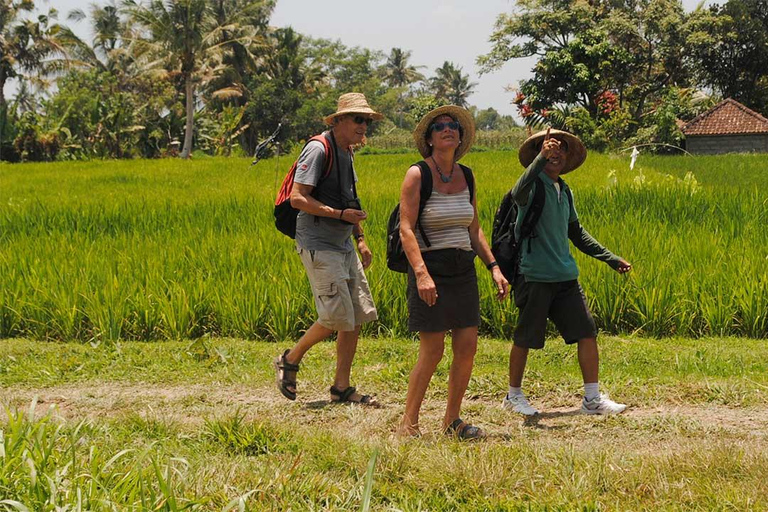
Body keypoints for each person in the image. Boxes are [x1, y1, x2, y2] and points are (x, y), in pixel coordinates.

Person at [396, 106, 509, 439]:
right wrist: (421, 274)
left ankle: (452, 420)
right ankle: (408, 424)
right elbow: (406, 228)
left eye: (454, 125)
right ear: (430, 139)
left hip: (463, 268)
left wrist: (494, 267)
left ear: (460, 137)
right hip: (431, 267)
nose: (448, 129)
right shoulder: (418, 174)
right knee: (432, 350)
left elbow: (474, 229)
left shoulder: (467, 176)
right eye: (440, 126)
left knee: (467, 346)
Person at [503, 128, 632, 417]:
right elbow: (517, 191)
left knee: (587, 332)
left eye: (561, 148)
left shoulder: (565, 190)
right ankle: (513, 396)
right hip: (534, 275)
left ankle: (592, 399)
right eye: (549, 147)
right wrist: (540, 159)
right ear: (538, 154)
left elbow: (577, 233)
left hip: (565, 276)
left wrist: (610, 258)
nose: (555, 152)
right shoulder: (532, 187)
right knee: (525, 337)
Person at [274, 93, 382, 405]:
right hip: (319, 242)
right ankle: (289, 359)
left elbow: (350, 199)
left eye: (367, 120)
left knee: (356, 315)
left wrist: (360, 238)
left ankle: (341, 388)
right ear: (339, 121)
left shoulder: (347, 152)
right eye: (358, 119)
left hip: (343, 243)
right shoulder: (319, 149)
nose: (364, 126)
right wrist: (338, 215)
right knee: (336, 315)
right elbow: (298, 198)